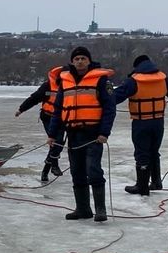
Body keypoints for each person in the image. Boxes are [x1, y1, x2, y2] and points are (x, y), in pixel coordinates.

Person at [48, 45, 117, 221]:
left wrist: (104, 132)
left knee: (93, 170)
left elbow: (109, 108)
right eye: (77, 59)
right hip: (73, 133)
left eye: (83, 59)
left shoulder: (101, 80)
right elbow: (58, 110)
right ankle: (83, 209)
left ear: (89, 60)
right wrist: (52, 134)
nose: (80, 61)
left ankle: (100, 210)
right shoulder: (65, 81)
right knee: (77, 172)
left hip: (93, 135)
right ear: (72, 61)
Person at [111, 54, 168, 196]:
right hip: (158, 122)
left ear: (137, 66)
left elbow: (116, 96)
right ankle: (156, 182)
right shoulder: (163, 78)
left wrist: (102, 98)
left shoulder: (134, 81)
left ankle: (142, 186)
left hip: (141, 122)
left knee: (142, 153)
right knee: (154, 151)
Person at [15, 64, 66, 183]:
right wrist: (21, 109)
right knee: (55, 141)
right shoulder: (47, 85)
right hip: (48, 118)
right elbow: (34, 98)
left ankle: (46, 170)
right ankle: (53, 165)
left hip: (63, 119)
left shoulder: (70, 86)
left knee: (58, 143)